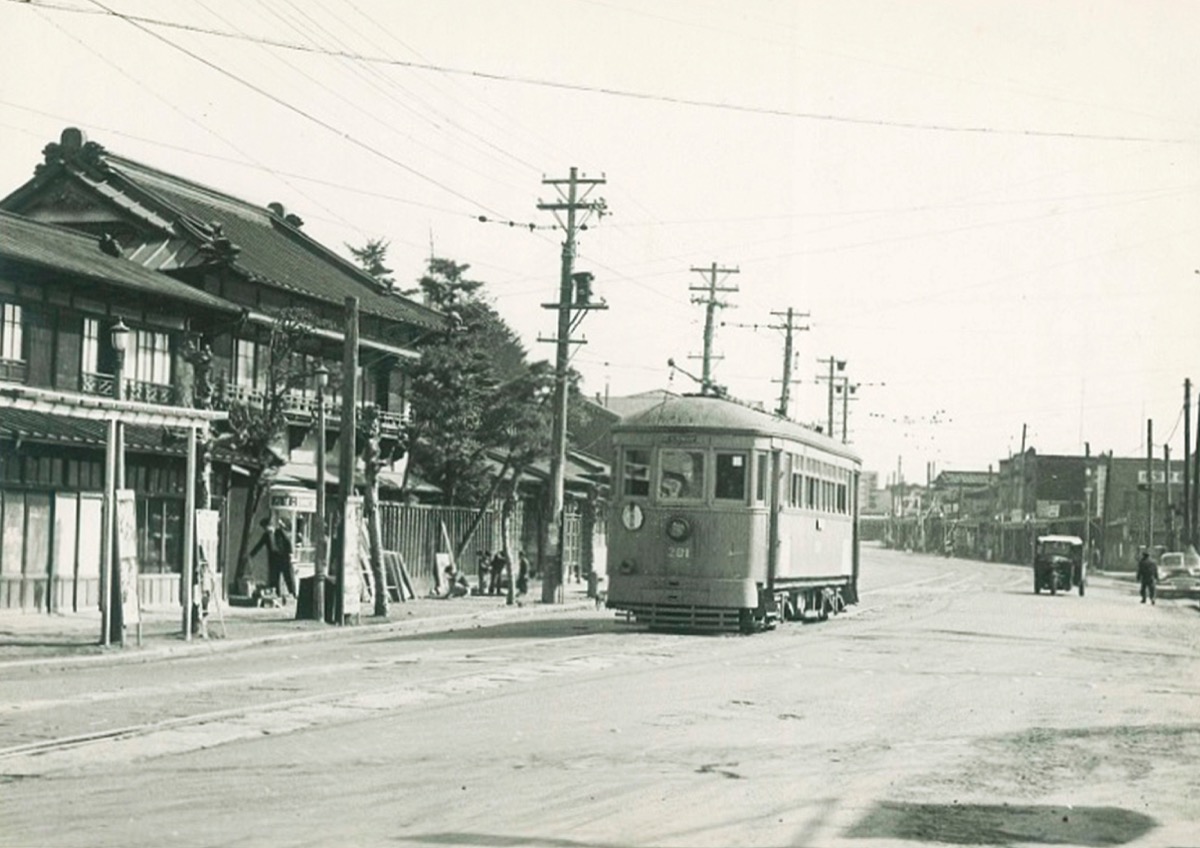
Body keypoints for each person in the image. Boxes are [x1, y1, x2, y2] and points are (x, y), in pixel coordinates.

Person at [252, 516, 297, 601]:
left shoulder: (279, 532)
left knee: (289, 578)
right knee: (274, 579)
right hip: (274, 559)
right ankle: (276, 596)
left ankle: (294, 595)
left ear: (271, 526)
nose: (267, 530)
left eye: (267, 527)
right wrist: (251, 555)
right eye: (265, 528)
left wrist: (291, 554)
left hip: (284, 558)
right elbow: (259, 545)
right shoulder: (266, 536)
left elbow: (288, 542)